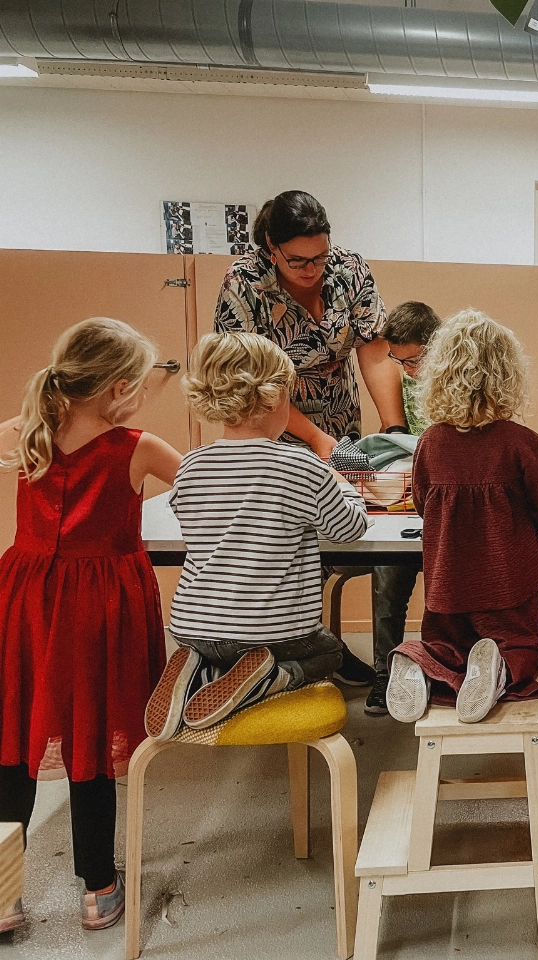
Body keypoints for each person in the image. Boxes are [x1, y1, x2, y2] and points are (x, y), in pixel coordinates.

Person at [0, 318, 181, 933]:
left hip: (25, 599)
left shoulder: (26, 432)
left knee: (15, 735)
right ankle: (99, 889)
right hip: (101, 608)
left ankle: (3, 896)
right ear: (122, 388)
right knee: (92, 737)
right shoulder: (139, 447)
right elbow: (207, 489)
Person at [214, 190, 403, 688]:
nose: (312, 268)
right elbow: (252, 378)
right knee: (287, 545)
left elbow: (375, 351)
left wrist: (393, 430)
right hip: (270, 422)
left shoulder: (351, 271)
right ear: (270, 248)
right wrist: (319, 441)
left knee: (349, 532)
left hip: (341, 419)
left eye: (320, 255)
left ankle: (315, 648)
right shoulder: (244, 284)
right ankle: (275, 659)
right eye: (298, 259)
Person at [147, 332, 369, 739]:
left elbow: (185, 513)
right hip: (277, 632)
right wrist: (345, 486)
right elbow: (349, 529)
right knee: (331, 650)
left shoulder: (192, 465)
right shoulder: (299, 464)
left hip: (192, 627)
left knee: (223, 648)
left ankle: (195, 671)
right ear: (275, 398)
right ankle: (271, 676)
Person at [385, 310, 538, 725]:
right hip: (508, 585)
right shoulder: (522, 444)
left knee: (442, 645)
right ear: (508, 376)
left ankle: (416, 660)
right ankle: (499, 666)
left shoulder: (430, 444)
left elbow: (421, 504)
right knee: (523, 646)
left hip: (447, 586)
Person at [364, 301, 442, 717]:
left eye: (415, 360)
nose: (409, 369)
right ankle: (384, 673)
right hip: (406, 499)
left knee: (443, 589)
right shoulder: (401, 382)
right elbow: (389, 436)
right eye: (400, 361)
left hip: (447, 503)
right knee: (387, 577)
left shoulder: (459, 378)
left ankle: (437, 665)